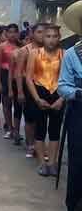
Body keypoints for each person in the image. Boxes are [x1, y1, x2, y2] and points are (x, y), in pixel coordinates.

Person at [25, 25, 64, 177]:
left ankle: (52, 163)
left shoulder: (64, 54)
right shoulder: (34, 53)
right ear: (42, 37)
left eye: (55, 36)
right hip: (39, 93)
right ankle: (42, 163)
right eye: (48, 36)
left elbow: (69, 79)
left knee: (55, 131)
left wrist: (61, 99)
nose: (51, 40)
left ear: (59, 38)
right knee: (40, 130)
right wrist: (36, 99)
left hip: (58, 93)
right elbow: (29, 78)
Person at [58, 0, 82, 211]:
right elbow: (62, 86)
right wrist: (77, 92)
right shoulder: (72, 55)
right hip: (79, 112)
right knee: (77, 164)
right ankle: (73, 210)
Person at [14, 23, 47, 157]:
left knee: (42, 119)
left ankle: (40, 145)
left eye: (45, 32)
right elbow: (18, 72)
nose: (42, 35)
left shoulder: (48, 50)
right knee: (30, 118)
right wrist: (20, 92)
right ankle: (30, 145)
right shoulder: (25, 50)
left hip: (45, 88)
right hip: (29, 88)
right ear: (32, 34)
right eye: (39, 32)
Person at [0, 23, 21, 141]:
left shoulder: (21, 46)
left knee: (18, 104)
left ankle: (16, 130)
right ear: (6, 33)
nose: (12, 34)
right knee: (7, 103)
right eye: (10, 32)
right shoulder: (2, 47)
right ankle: (10, 128)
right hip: (5, 76)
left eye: (15, 32)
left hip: (18, 77)